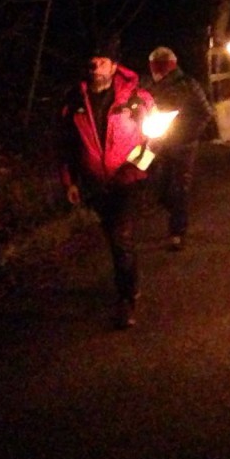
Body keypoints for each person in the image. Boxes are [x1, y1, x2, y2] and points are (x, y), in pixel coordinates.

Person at [58, 37, 155, 329]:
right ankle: (130, 280)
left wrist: (137, 167)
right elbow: (65, 145)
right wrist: (70, 182)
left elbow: (155, 139)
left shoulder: (137, 99)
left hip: (129, 180)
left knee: (121, 236)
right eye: (92, 62)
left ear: (114, 66)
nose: (95, 67)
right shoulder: (73, 102)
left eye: (102, 62)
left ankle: (126, 299)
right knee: (114, 237)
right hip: (96, 184)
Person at [144, 46, 216, 251]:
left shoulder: (188, 85)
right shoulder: (148, 86)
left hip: (183, 145)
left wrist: (189, 134)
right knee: (158, 186)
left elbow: (205, 113)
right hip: (156, 145)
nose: (157, 70)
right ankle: (175, 211)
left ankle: (177, 231)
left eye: (161, 65)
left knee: (179, 187)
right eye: (154, 65)